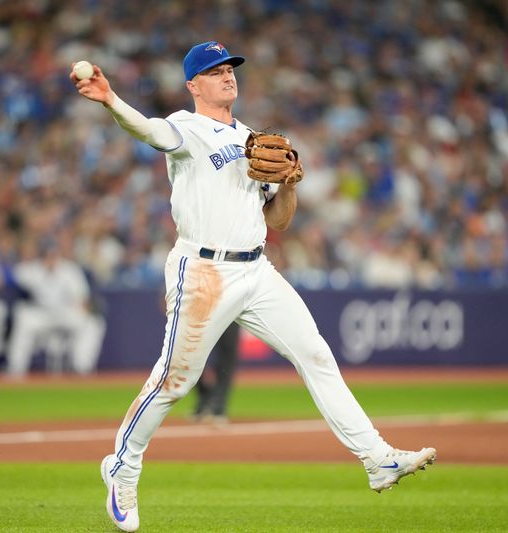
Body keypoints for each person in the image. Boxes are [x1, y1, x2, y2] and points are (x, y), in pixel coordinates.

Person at [71, 41, 436, 532]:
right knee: (174, 381)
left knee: (316, 355)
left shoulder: (252, 139)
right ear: (193, 84)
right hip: (202, 271)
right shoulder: (187, 127)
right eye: (214, 71)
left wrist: (288, 185)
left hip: (256, 270)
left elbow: (278, 222)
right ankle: (122, 464)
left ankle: (377, 459)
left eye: (230, 69)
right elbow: (149, 131)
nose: (227, 76)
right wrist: (112, 100)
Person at [4, 236, 106, 377]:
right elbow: (9, 274)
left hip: (66, 313)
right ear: (42, 254)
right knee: (23, 317)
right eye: (47, 254)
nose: (50, 258)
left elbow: (82, 298)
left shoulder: (70, 270)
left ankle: (82, 367)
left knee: (93, 323)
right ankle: (15, 369)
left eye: (53, 254)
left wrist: (85, 308)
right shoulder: (33, 269)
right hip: (42, 314)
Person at [193, 321, 240, 424]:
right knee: (192, 352)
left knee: (227, 354)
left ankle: (218, 407)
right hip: (200, 309)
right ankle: (204, 400)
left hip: (232, 310)